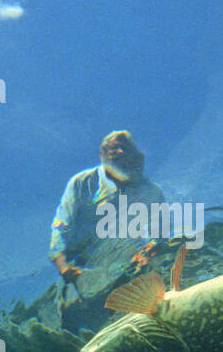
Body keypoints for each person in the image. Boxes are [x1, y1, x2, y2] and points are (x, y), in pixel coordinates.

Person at [49, 130, 164, 332]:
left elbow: (159, 233)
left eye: (125, 148)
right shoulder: (82, 183)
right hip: (78, 275)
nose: (119, 151)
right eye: (113, 148)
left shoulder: (152, 192)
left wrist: (147, 252)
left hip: (126, 275)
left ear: (136, 155)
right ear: (102, 154)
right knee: (72, 328)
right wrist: (64, 268)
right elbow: (60, 227)